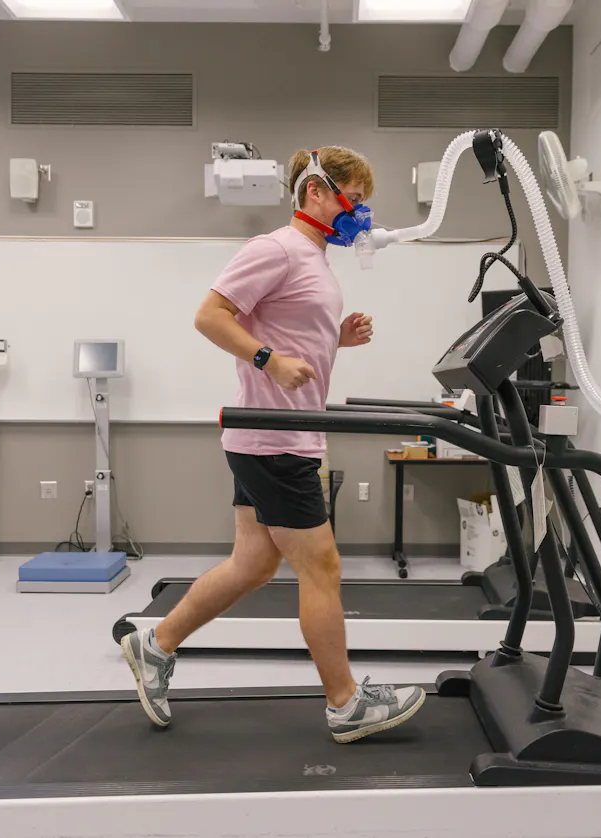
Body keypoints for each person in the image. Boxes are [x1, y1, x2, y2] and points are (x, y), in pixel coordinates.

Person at [120, 146, 426, 743]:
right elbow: (210, 316)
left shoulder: (313, 261)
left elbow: (290, 338)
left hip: (281, 433)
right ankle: (345, 702)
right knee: (323, 566)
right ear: (317, 191)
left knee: (254, 563)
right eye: (354, 200)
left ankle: (153, 645)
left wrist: (333, 340)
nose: (358, 215)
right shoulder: (276, 249)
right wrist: (266, 358)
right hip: (273, 436)